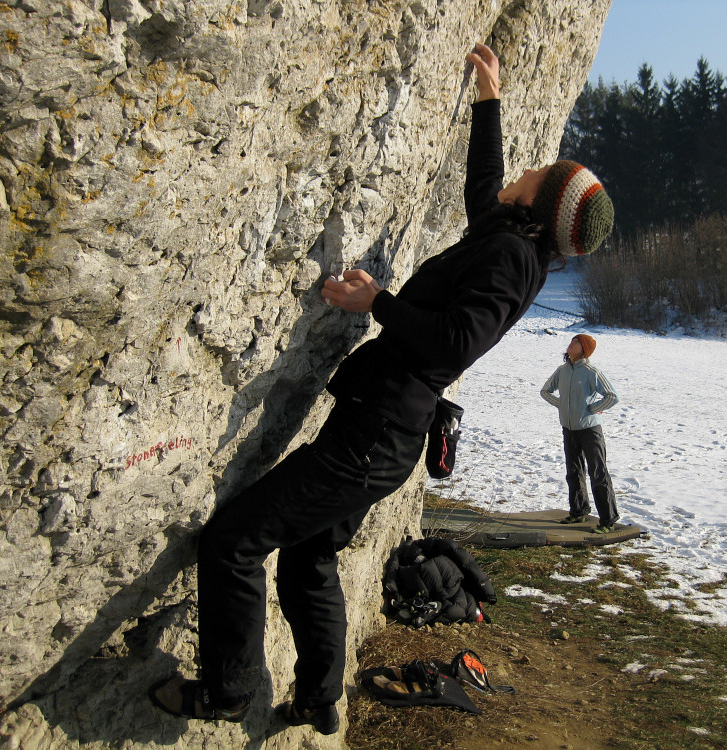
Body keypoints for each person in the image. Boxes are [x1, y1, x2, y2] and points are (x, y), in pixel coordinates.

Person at [149, 42, 614, 735]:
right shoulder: (513, 238)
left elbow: (458, 340)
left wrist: (378, 302)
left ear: (543, 201)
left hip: (376, 436)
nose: (533, 163)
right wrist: (489, 102)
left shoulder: (514, 262)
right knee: (307, 554)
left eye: (543, 171)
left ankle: (226, 693)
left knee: (234, 542)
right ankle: (317, 700)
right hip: (382, 432)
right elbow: (485, 193)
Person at [540, 334, 620, 532]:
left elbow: (612, 396)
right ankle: (578, 512)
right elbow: (545, 391)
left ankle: (608, 520)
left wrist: (592, 408)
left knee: (598, 473)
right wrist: (561, 406)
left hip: (590, 430)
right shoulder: (562, 371)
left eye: (576, 342)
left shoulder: (591, 372)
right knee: (574, 472)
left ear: (584, 348)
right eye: (572, 340)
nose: (571, 343)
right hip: (569, 429)